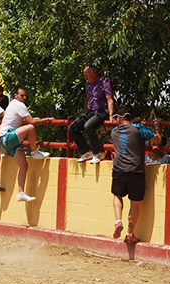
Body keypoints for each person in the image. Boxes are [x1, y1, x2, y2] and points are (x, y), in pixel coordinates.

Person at [111, 108, 162, 243]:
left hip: (118, 169)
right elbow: (157, 141)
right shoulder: (139, 128)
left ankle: (118, 221)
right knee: (135, 203)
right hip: (136, 170)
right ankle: (130, 234)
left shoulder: (113, 132)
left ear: (119, 118)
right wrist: (157, 128)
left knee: (117, 195)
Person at [0, 86, 53, 202]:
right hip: (7, 136)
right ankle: (34, 152)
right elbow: (31, 122)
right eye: (22, 95)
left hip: (7, 140)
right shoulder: (19, 105)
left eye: (25, 95)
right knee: (31, 128)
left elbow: (21, 120)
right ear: (15, 95)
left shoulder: (13, 104)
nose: (24, 97)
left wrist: (35, 119)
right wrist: (46, 119)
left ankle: (20, 193)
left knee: (24, 165)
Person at [69, 66, 114, 164]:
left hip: (102, 111)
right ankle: (85, 151)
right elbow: (87, 98)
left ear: (93, 74)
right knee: (73, 127)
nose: (85, 78)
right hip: (90, 111)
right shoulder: (88, 83)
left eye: (86, 75)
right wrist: (85, 112)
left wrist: (111, 115)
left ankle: (97, 153)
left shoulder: (104, 82)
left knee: (88, 126)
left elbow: (109, 99)